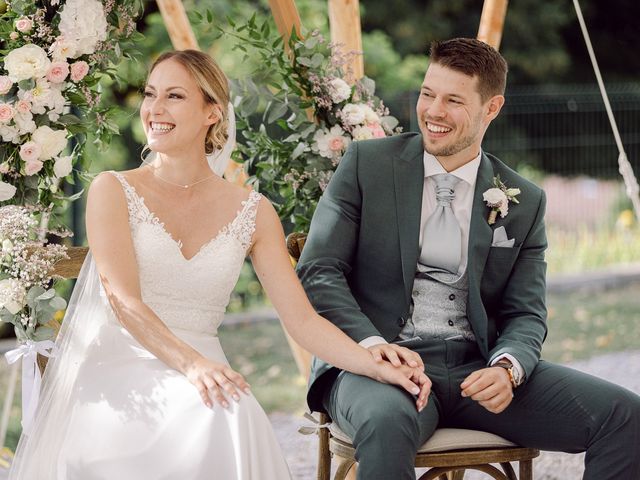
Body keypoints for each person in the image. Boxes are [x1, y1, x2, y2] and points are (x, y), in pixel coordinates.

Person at [8, 49, 430, 480]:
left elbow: (302, 321)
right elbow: (123, 302)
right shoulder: (112, 189)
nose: (154, 108)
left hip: (207, 370)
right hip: (121, 364)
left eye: (174, 96)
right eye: (151, 94)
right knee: (212, 412)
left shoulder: (253, 210)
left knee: (229, 411)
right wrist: (192, 365)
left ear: (212, 112)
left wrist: (371, 360)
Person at [297, 38, 640, 480]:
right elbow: (319, 270)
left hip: (475, 367)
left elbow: (526, 311)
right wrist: (372, 349)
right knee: (387, 422)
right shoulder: (367, 165)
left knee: (625, 417)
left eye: (453, 100)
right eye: (427, 94)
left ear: (491, 108)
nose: (433, 111)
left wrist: (508, 368)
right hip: (374, 364)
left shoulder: (524, 200)